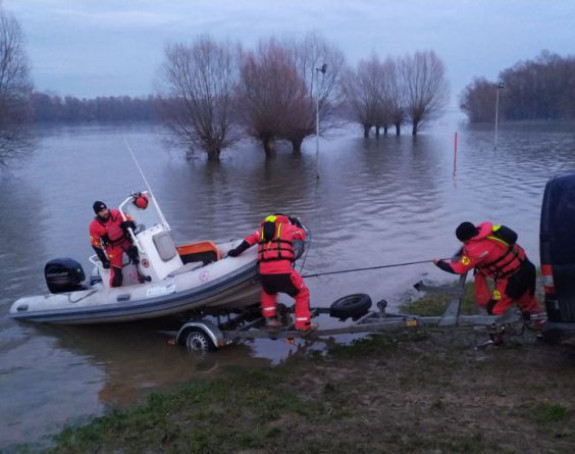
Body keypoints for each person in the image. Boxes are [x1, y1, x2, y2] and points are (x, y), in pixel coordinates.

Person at [433, 221, 544, 321]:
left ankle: (497, 337)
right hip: (527, 268)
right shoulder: (487, 231)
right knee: (528, 303)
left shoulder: (476, 249)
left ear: (467, 239)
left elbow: (458, 268)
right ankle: (544, 325)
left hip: (512, 281)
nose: (464, 244)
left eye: (463, 242)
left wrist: (439, 263)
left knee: (494, 308)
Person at [227, 214, 315, 333]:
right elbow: (301, 234)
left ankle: (271, 320)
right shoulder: (286, 228)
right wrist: (297, 224)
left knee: (269, 293)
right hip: (284, 272)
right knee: (302, 294)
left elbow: (248, 241)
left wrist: (235, 252)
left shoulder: (261, 232)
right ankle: (303, 325)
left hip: (265, 274)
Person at [89, 200, 139, 287]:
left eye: (105, 209)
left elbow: (131, 222)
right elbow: (96, 245)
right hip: (113, 248)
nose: (105, 212)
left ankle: (142, 280)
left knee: (137, 259)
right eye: (101, 211)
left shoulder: (116, 213)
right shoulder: (94, 226)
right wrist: (104, 261)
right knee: (117, 275)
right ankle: (114, 290)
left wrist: (129, 224)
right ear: (97, 213)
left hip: (125, 241)